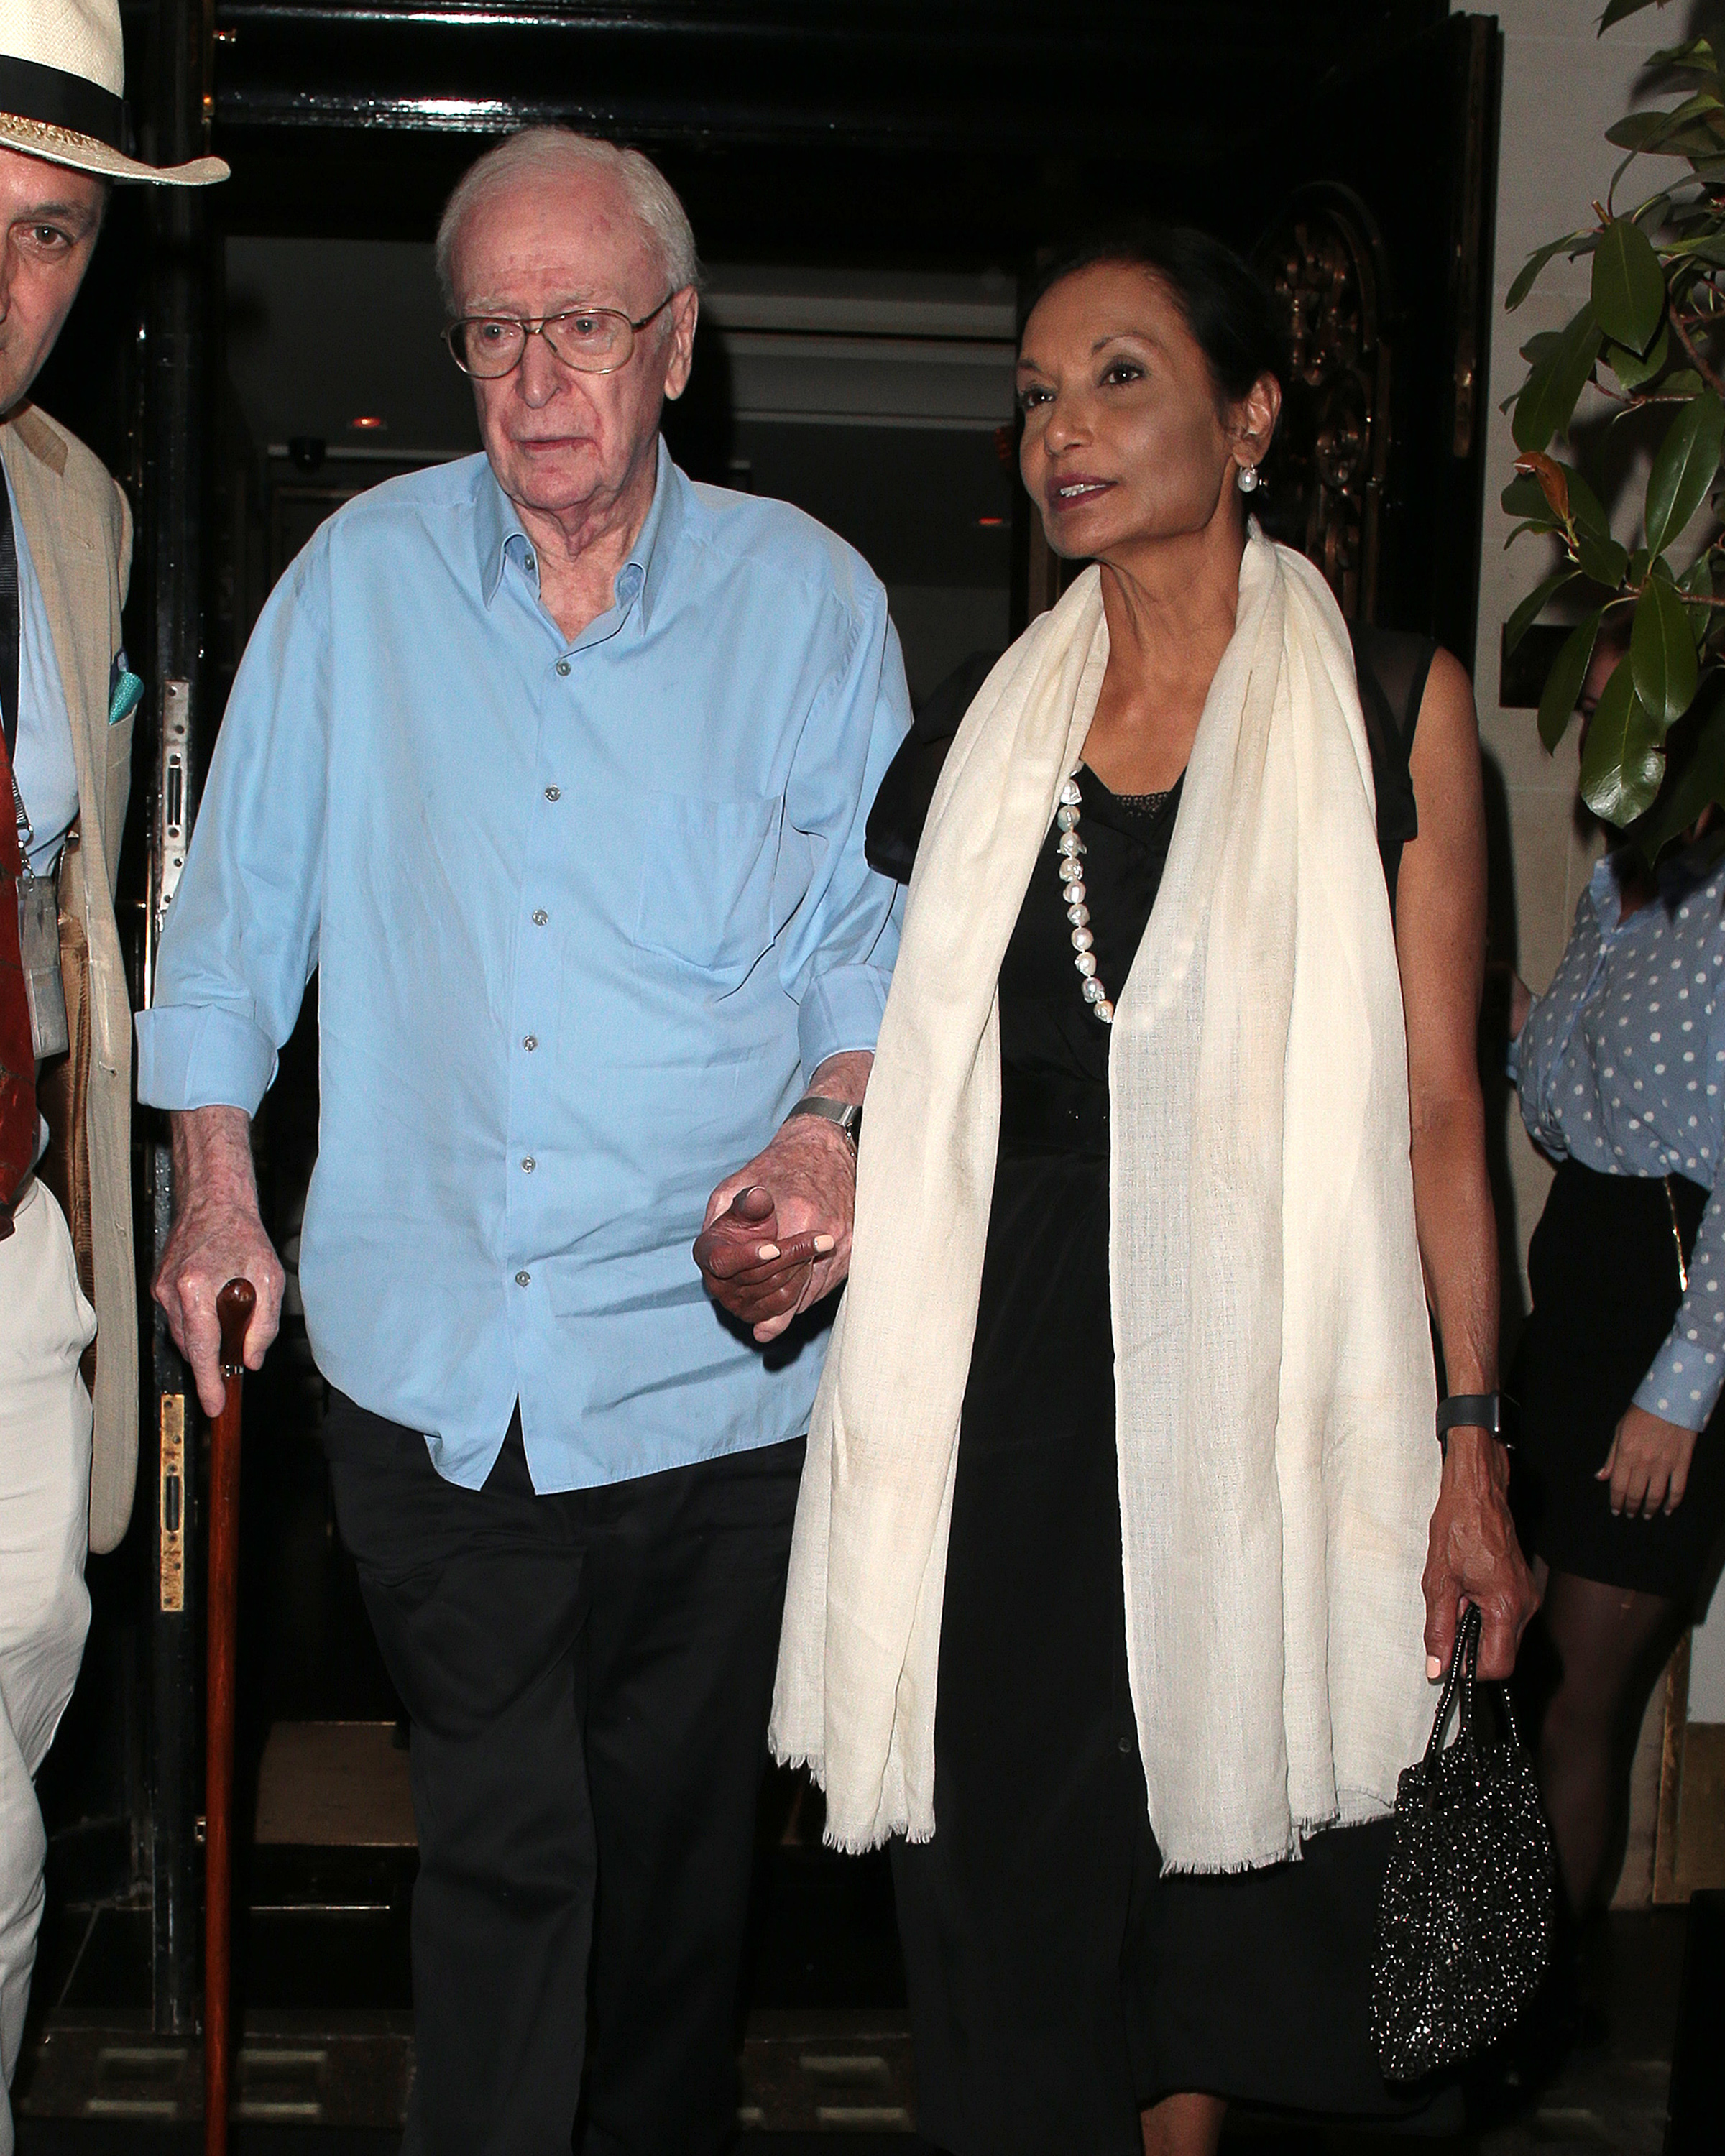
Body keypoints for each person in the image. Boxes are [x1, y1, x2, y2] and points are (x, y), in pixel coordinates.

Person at [137, 126, 908, 2156]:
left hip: (715, 1379)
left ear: (676, 339)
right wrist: (217, 1179)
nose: (535, 383)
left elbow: (865, 945)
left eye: (580, 327)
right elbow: (232, 929)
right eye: (494, 333)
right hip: (432, 1369)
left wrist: (832, 1136)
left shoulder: (812, 607)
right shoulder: (359, 588)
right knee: (508, 1855)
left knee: (671, 1889)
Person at [765, 228, 1536, 2156]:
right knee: (1019, 1880)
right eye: (1035, 391)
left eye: (1118, 375)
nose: (1062, 428)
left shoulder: (1384, 699)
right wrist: (811, 1177)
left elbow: (1444, 1110)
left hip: (1272, 1375)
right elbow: (911, 1064)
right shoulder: (982, 732)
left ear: (1250, 410)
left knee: (1225, 1904)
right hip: (1009, 1390)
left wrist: (1471, 1447)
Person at [0, 6, 226, 2146]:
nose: (8, 282)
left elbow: (80, 904)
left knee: (9, 1763)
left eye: (51, 234)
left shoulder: (72, 502)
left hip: (14, 1241)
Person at [1505, 647, 1725, 2012]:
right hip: (1577, 1304)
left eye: (1606, 706)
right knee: (1529, 1680)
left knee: (1582, 1695)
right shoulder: (1619, 897)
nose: (1590, 732)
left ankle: (1529, 2024)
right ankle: (1500, 2006)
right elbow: (1560, 1115)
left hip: (1672, 1320)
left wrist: (1678, 1396)